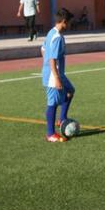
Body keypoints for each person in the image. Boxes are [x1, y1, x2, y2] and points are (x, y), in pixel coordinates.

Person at [41, 8, 75, 142]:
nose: (71, 25)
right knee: (53, 102)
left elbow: (43, 49)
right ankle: (50, 134)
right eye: (70, 23)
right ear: (64, 22)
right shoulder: (57, 38)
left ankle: (62, 120)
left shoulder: (52, 32)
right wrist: (55, 77)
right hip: (53, 75)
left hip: (58, 73)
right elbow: (52, 59)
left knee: (70, 91)